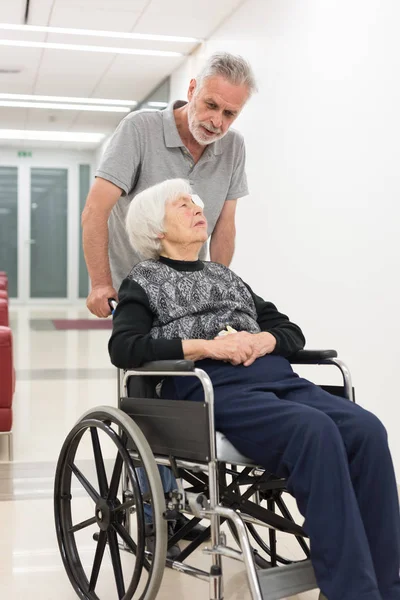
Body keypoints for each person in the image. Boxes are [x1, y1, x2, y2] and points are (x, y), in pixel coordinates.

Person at [109, 178, 400, 600]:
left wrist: (264, 340)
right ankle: (352, 592)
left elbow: (288, 330)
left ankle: (388, 586)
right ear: (156, 229)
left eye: (195, 201)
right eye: (183, 205)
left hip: (276, 377)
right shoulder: (143, 281)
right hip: (210, 388)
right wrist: (207, 346)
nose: (197, 208)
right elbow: (124, 347)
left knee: (367, 430)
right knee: (312, 431)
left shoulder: (225, 276)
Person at [82, 51, 257, 555]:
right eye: (210, 105)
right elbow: (96, 211)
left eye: (230, 114)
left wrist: (226, 290)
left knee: (194, 382)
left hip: (194, 286)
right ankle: (160, 501)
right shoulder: (140, 129)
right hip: (137, 284)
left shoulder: (233, 148)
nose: (216, 122)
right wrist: (100, 283)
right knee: (148, 385)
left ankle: (189, 489)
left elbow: (224, 226)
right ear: (192, 86)